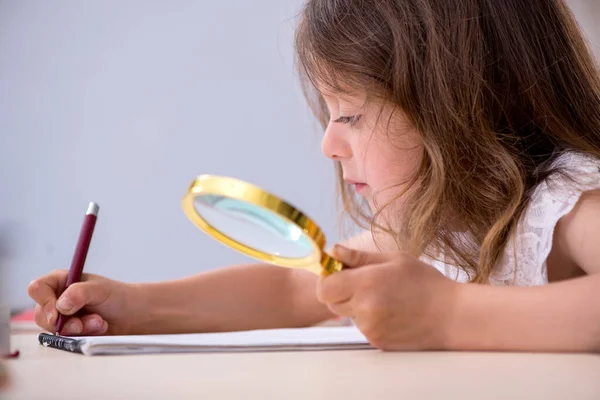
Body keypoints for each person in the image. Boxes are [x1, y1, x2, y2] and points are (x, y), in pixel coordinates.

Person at [28, 0, 600, 352]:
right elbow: (294, 288)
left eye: (349, 115)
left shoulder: (561, 203)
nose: (328, 144)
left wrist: (447, 316)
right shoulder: (443, 227)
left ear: (460, 103)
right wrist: (129, 308)